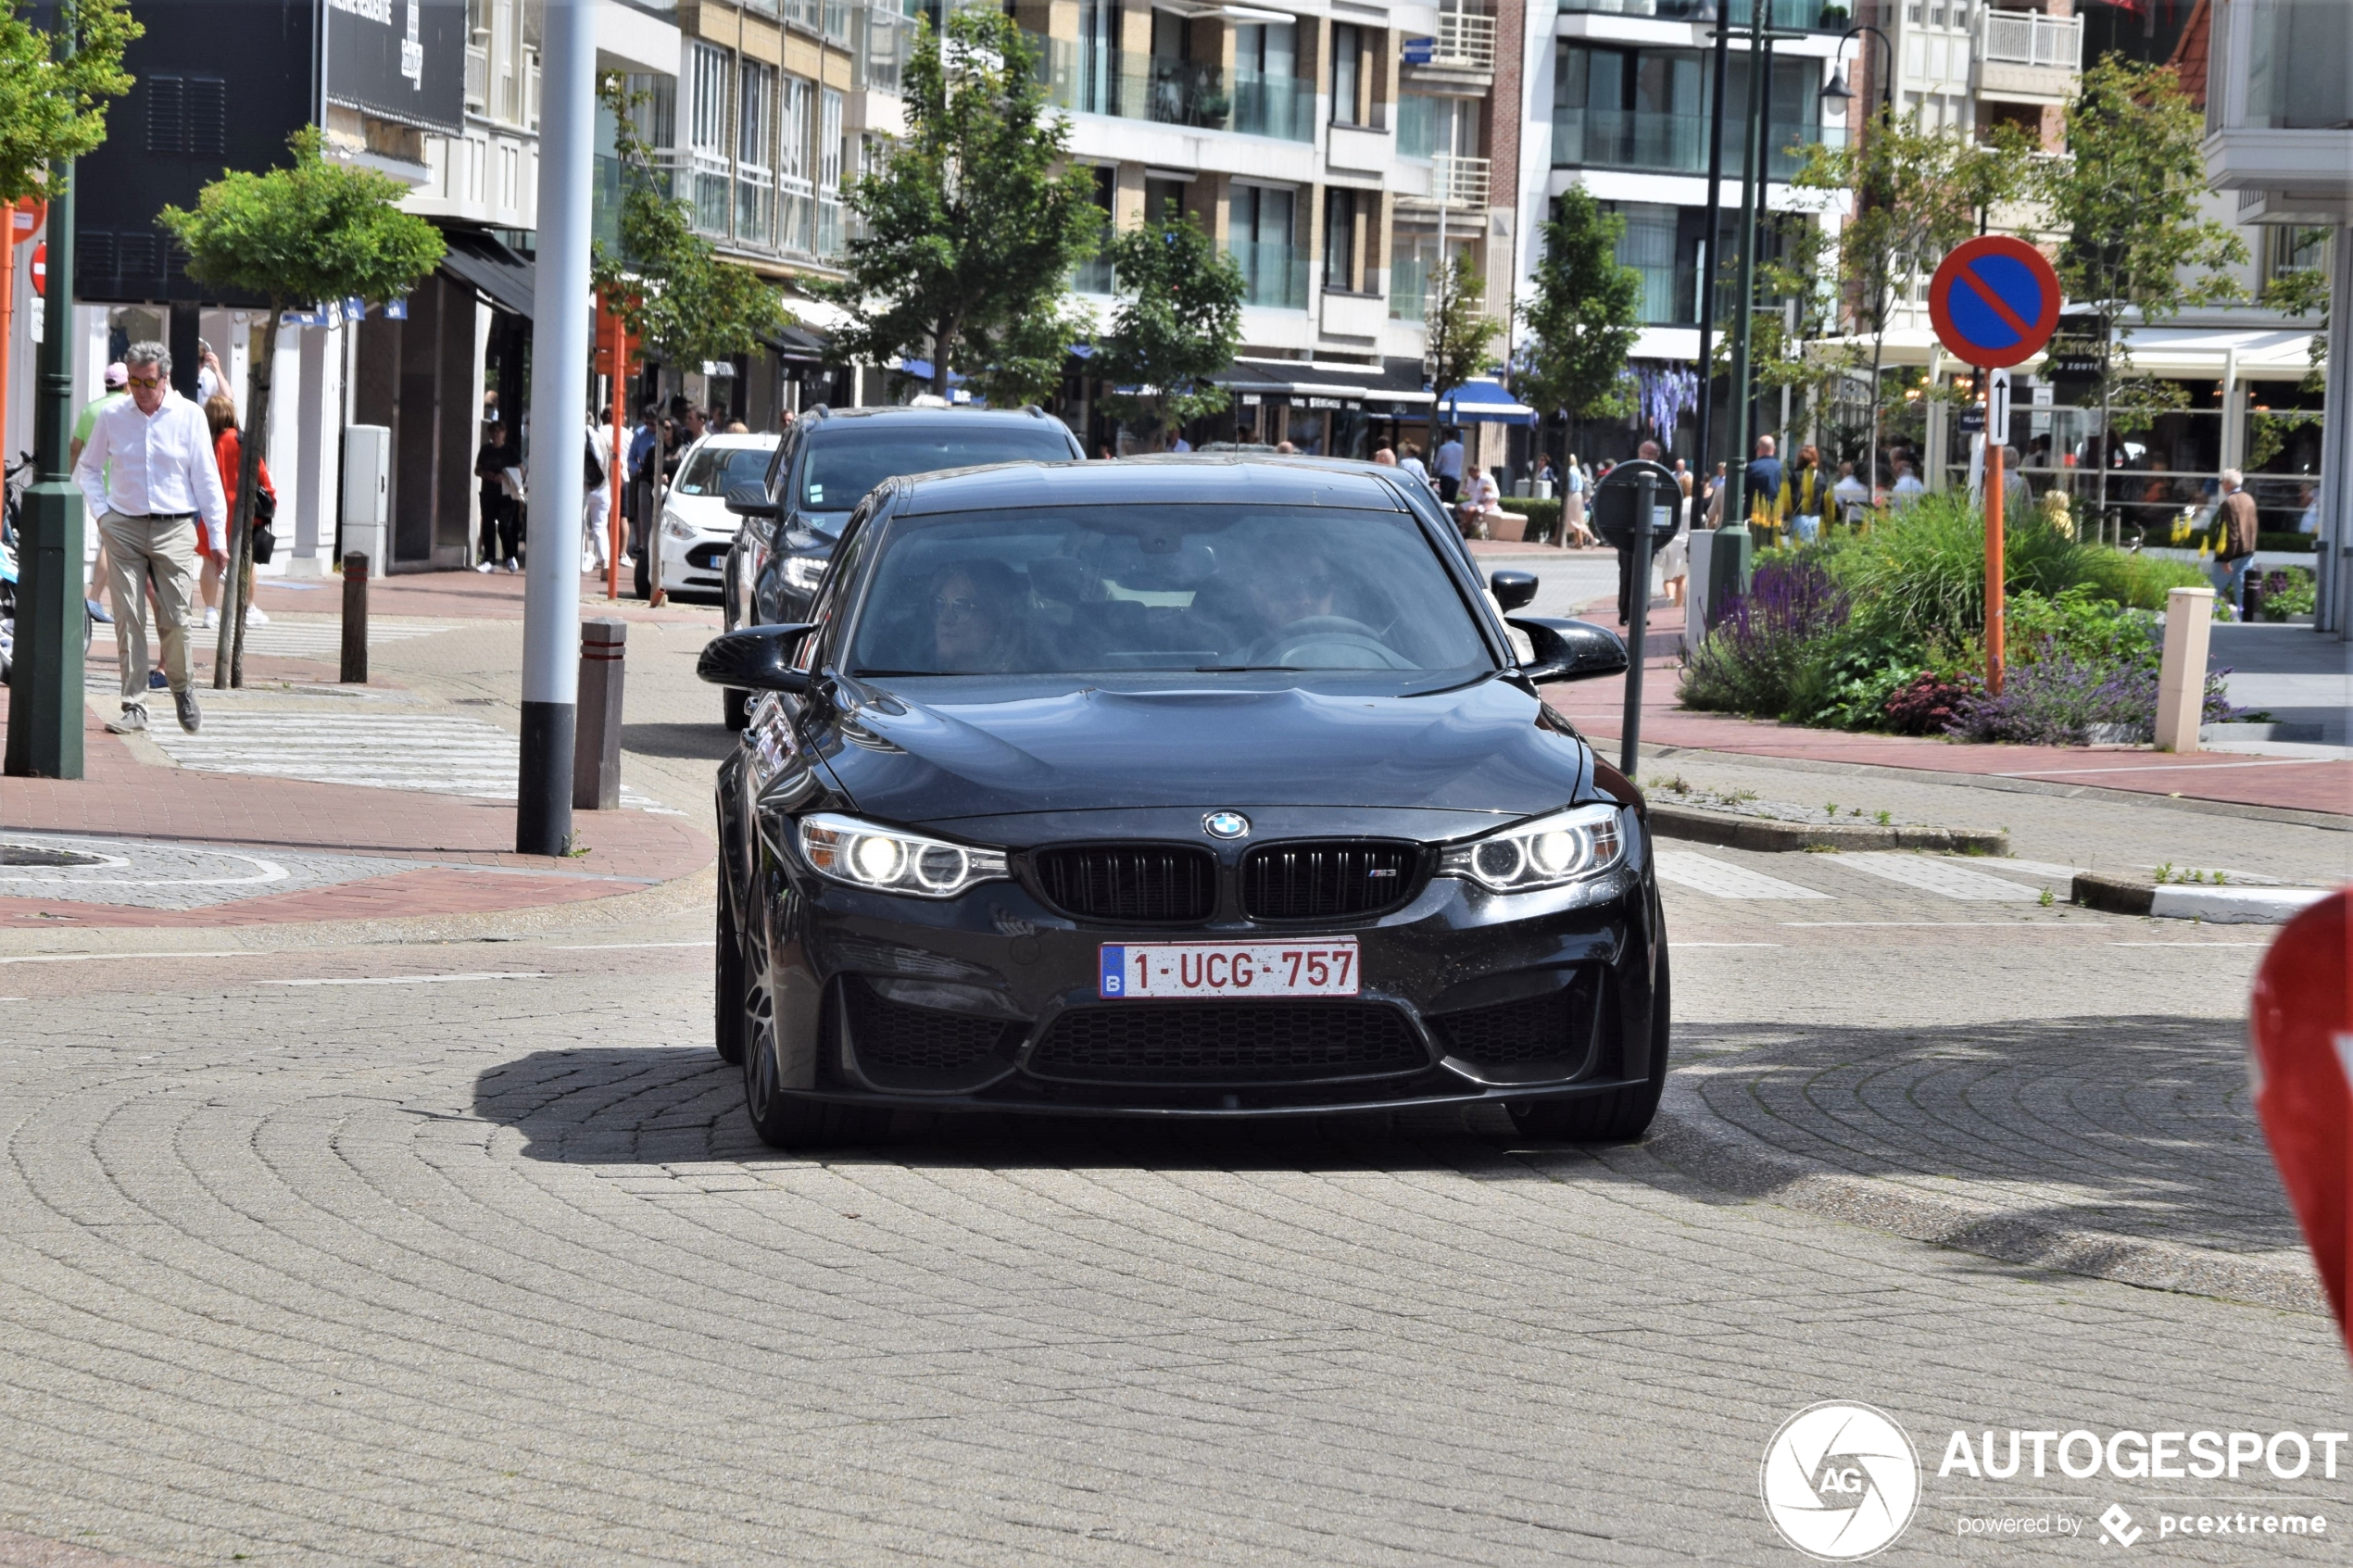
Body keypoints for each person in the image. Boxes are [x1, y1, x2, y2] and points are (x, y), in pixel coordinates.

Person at [73, 341, 220, 735]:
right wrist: (103, 515)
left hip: (175, 527)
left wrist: (218, 538)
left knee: (175, 617)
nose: (139, 389)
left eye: (147, 381)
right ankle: (134, 705)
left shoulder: (189, 416)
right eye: (133, 381)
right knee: (128, 616)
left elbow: (206, 478)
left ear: (165, 378)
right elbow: (87, 468)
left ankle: (183, 687)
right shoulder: (113, 415)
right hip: (124, 525)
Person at [205, 394, 275, 631]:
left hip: (210, 508)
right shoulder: (240, 439)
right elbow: (261, 473)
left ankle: (209, 611)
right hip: (240, 509)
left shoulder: (206, 441)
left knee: (209, 559)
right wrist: (271, 497)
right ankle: (248, 607)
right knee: (246, 559)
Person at [73, 362, 130, 625]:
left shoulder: (90, 409)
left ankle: (101, 599)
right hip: (122, 488)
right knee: (109, 545)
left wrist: (65, 478)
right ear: (127, 383)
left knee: (109, 543)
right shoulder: (127, 409)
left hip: (96, 486)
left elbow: (75, 448)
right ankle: (94, 599)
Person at [929, 560, 1026, 672]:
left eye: (961, 607)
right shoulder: (913, 681)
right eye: (940, 605)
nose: (944, 619)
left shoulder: (1033, 686)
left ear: (998, 617)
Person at [474, 420, 520, 572]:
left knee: (504, 526)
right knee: (487, 524)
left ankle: (510, 556)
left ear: (504, 434)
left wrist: (504, 476)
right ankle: (489, 559)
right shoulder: (485, 450)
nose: (495, 435)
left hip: (506, 493)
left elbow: (521, 471)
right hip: (488, 491)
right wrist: (484, 473)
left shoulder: (510, 451)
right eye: (493, 432)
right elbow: (477, 469)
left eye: (498, 432)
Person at [2214, 468, 2259, 611]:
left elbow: (2231, 532)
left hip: (2231, 553)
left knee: (2212, 590)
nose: (2221, 485)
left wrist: (2227, 559)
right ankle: (2244, 622)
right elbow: (2254, 526)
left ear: (2228, 483)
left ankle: (2201, 619)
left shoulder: (2230, 502)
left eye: (2222, 482)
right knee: (2242, 592)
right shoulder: (2249, 498)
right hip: (2248, 552)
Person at [582, 405, 615, 576]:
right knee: (600, 527)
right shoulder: (603, 438)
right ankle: (605, 561)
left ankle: (582, 557)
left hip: (585, 487)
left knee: (581, 524)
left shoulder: (579, 438)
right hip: (603, 486)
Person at [1433, 428, 1465, 502]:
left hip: (1446, 475)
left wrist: (1436, 469)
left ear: (1446, 436)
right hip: (1457, 476)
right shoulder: (1461, 447)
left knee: (1444, 498)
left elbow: (1436, 465)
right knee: (1452, 499)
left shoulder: (1443, 448)